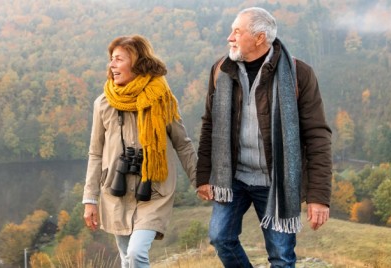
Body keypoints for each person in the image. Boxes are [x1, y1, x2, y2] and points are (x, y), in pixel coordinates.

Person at [194, 7, 333, 268]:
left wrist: (319, 197)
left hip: (276, 181)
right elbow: (209, 125)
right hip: (233, 177)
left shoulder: (299, 74)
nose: (229, 37)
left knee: (281, 256)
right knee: (220, 238)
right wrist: (203, 176)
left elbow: (318, 137)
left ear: (259, 38)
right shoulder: (221, 70)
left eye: (237, 31)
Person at [82, 35, 197, 268]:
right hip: (116, 190)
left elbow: (182, 143)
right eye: (111, 60)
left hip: (153, 191)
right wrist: (90, 199)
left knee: (136, 254)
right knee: (126, 258)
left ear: (136, 62)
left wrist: (200, 181)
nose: (111, 65)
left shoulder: (162, 99)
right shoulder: (103, 103)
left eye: (118, 59)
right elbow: (95, 153)